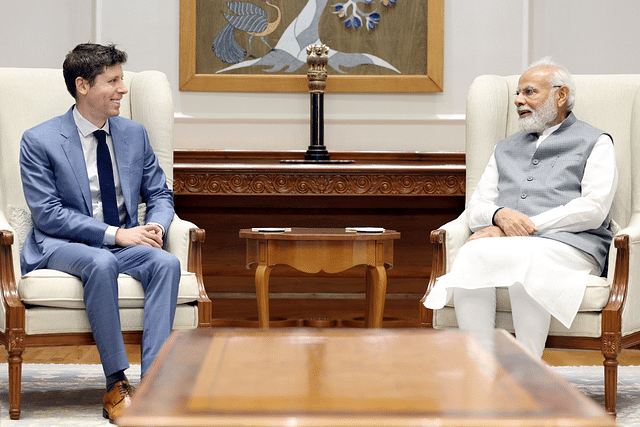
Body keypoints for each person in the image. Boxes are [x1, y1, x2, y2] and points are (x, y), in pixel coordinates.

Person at [19, 43, 180, 421]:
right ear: (83, 86)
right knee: (100, 262)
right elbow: (48, 214)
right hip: (62, 243)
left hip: (124, 239)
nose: (123, 88)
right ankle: (116, 382)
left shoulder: (133, 134)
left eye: (122, 79)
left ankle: (155, 381)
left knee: (166, 264)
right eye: (113, 80)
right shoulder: (39, 140)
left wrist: (155, 225)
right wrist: (116, 234)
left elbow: (159, 192)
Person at [423, 58, 618, 358]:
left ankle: (528, 371)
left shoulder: (596, 142)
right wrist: (499, 216)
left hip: (575, 246)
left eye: (529, 92)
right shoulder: (505, 147)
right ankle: (481, 368)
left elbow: (594, 209)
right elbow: (476, 208)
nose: (518, 100)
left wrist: (524, 227)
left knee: (527, 256)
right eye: (517, 93)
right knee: (472, 252)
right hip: (514, 244)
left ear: (561, 95)